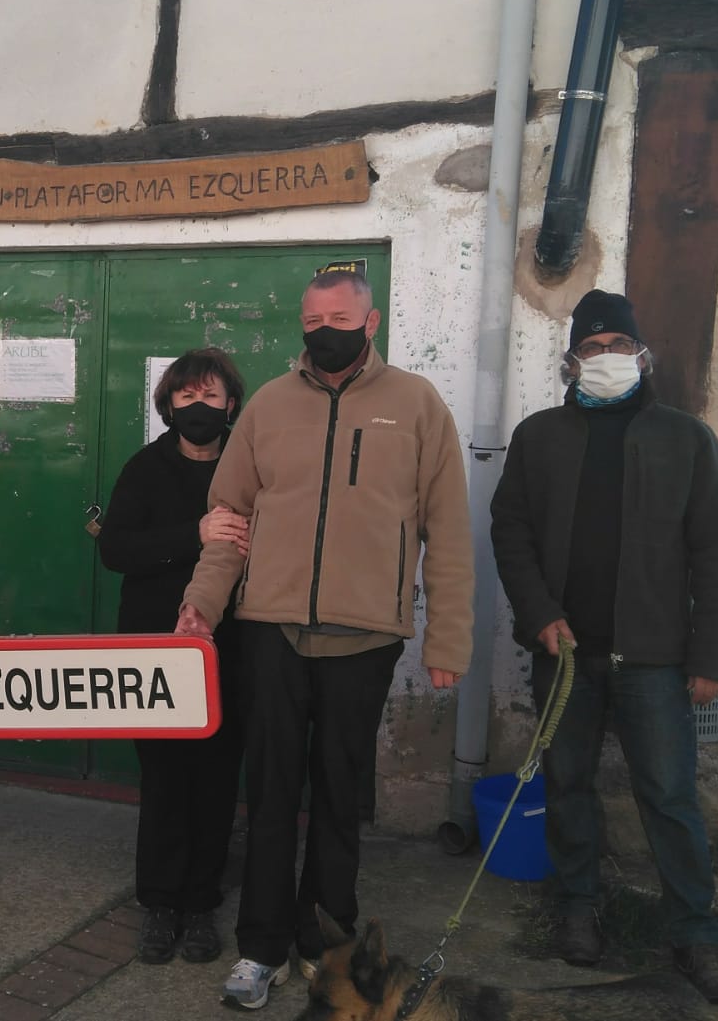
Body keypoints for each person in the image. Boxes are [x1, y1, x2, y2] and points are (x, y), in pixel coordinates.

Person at [176, 268, 472, 1011]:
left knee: (340, 799)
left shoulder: (416, 405)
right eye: (312, 318)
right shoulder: (269, 406)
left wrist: (448, 640)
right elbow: (230, 521)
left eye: (339, 315)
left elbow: (450, 532)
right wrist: (200, 605)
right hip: (270, 631)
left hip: (365, 638)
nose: (324, 329)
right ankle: (261, 947)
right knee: (270, 793)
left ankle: (326, 946)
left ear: (370, 322)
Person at [490, 289, 718, 1004]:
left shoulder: (686, 439)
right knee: (566, 784)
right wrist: (540, 613)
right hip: (566, 653)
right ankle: (577, 910)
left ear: (641, 355)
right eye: (592, 349)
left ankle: (695, 935)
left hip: (657, 659)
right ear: (572, 361)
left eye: (617, 347)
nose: (606, 358)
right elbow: (510, 531)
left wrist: (708, 659)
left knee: (667, 794)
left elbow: (714, 557)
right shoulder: (539, 437)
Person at [98, 349, 248, 966]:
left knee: (215, 778)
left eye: (211, 397)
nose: (198, 408)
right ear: (168, 404)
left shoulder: (248, 465)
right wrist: (195, 534)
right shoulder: (145, 467)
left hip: (230, 646)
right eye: (186, 397)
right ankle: (160, 903)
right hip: (153, 650)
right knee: (162, 778)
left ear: (231, 403)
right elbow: (115, 550)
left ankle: (201, 903)